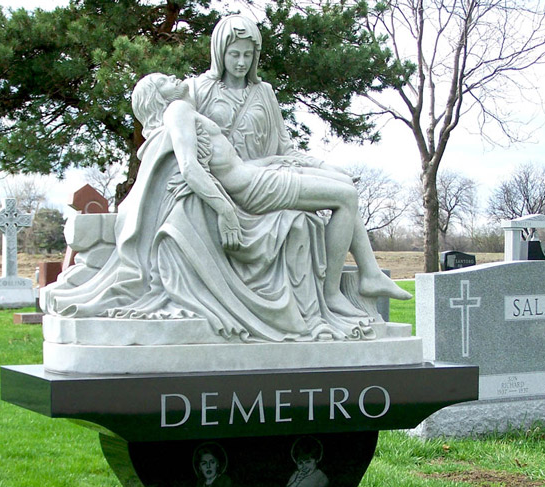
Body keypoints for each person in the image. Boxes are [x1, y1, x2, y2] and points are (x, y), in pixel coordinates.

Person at [130, 72, 410, 316]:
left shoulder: (182, 113)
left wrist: (276, 162)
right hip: (252, 189)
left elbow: (226, 164)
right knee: (346, 197)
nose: (174, 78)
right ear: (156, 97)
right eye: (164, 81)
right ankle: (333, 293)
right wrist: (226, 210)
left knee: (342, 185)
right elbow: (190, 167)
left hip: (254, 176)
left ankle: (371, 273)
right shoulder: (177, 109)